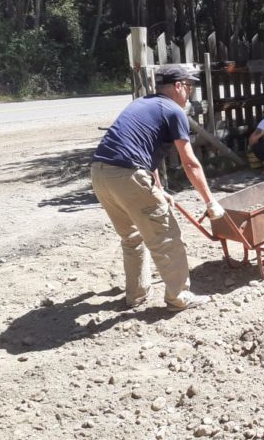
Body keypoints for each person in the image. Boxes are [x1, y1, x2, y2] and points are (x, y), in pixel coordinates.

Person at [90, 64, 225, 311]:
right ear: (178, 86)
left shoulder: (143, 104)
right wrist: (210, 201)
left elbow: (145, 152)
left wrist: (159, 188)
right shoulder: (173, 110)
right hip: (127, 175)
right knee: (168, 238)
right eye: (190, 87)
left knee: (131, 237)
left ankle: (137, 295)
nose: (190, 93)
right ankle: (178, 297)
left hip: (100, 173)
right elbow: (190, 163)